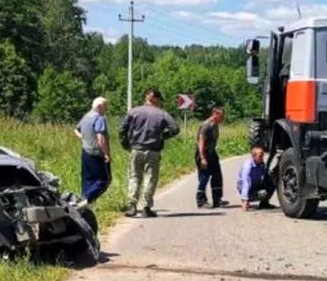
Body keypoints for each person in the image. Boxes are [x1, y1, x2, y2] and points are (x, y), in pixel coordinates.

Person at [119, 88, 181, 217]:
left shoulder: (133, 112)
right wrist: (162, 136)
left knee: (134, 176)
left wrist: (126, 144)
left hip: (136, 149)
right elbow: (175, 128)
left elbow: (122, 129)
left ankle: (131, 205)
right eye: (159, 100)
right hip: (153, 150)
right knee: (150, 178)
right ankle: (146, 207)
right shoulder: (162, 114)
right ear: (156, 99)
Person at [74, 96, 111, 205]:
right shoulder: (99, 118)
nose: (106, 109)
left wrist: (83, 137)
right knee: (104, 180)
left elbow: (76, 129)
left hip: (85, 152)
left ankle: (83, 199)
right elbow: (101, 138)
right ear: (99, 106)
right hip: (96, 153)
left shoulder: (86, 117)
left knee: (88, 179)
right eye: (105, 107)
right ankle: (87, 200)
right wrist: (106, 154)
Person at [196, 104, 228, 209]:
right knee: (204, 177)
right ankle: (201, 201)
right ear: (215, 114)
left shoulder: (215, 125)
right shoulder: (206, 125)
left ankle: (217, 199)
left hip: (211, 152)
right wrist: (203, 158)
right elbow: (201, 142)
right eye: (221, 116)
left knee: (217, 176)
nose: (223, 118)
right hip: (204, 152)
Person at [237, 146, 272, 211]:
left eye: (262, 156)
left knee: (271, 181)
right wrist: (245, 200)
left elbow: (266, 175)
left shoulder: (261, 164)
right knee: (249, 183)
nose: (262, 158)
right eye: (260, 156)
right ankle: (246, 200)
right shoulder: (247, 166)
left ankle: (264, 203)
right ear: (254, 156)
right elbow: (246, 182)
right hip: (247, 188)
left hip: (255, 185)